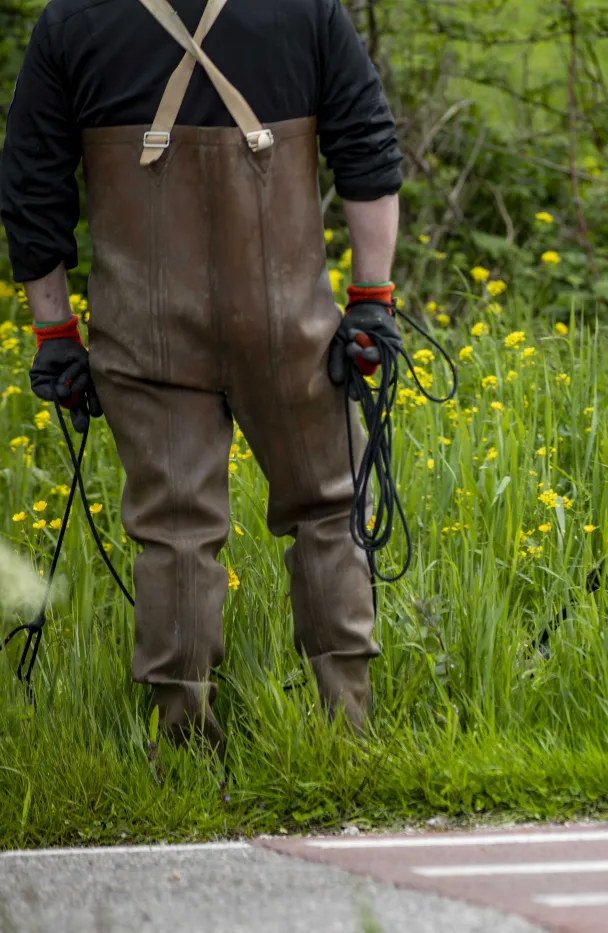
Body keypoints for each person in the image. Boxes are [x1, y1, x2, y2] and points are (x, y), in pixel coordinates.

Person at [1, 0, 406, 746]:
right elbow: (370, 151)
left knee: (175, 529)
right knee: (325, 509)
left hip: (143, 333)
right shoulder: (306, 10)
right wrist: (372, 300)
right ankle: (348, 727)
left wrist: (56, 332)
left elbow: (31, 187)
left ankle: (182, 733)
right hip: (290, 329)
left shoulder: (72, 21)